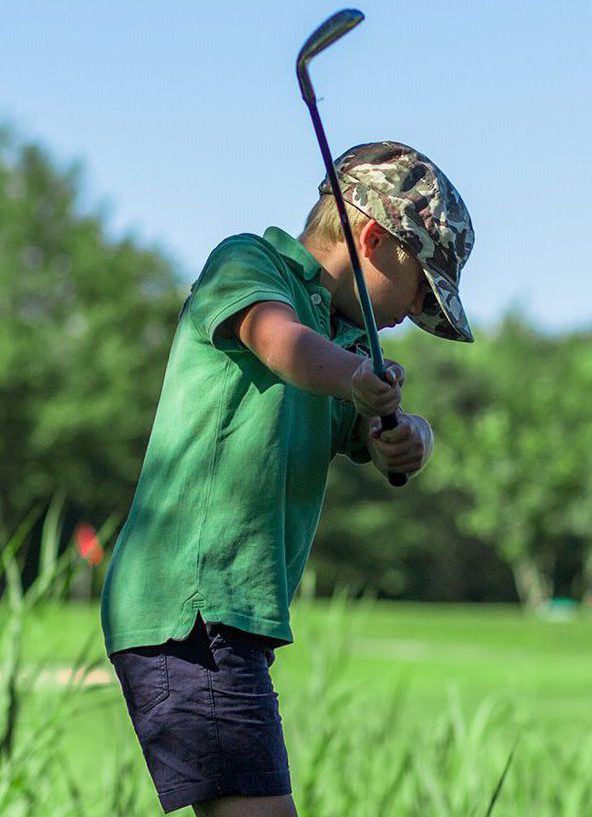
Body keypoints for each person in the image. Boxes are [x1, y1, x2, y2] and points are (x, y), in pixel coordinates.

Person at [99, 141, 476, 816]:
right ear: (371, 236)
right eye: (422, 287)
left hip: (230, 615)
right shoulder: (250, 263)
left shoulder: (347, 342)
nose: (415, 315)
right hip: (190, 601)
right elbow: (279, 342)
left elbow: (370, 431)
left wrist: (408, 436)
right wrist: (355, 380)